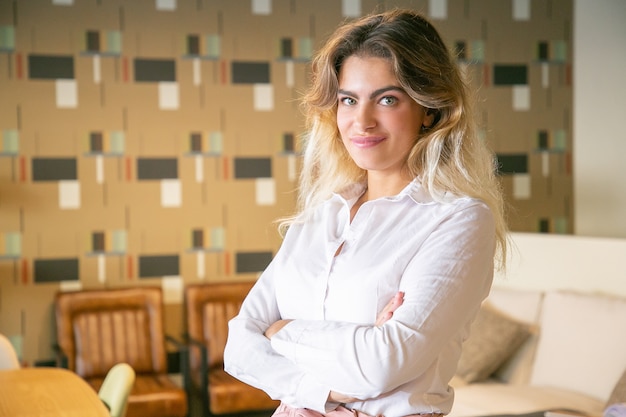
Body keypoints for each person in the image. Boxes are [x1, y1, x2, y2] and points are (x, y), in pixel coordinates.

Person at [224, 7, 508, 417]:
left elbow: (382, 364)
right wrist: (328, 386)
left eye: (387, 99)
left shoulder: (458, 219)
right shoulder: (323, 213)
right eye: (348, 100)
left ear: (429, 109)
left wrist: (281, 331)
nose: (362, 121)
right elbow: (238, 347)